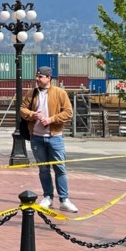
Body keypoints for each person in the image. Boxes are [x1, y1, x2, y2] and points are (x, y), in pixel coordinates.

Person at [20, 66, 78, 212]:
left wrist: (51, 119)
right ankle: (48, 197)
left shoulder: (60, 93)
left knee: (60, 168)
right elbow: (22, 109)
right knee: (43, 169)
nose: (37, 79)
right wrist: (33, 115)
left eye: (40, 77)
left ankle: (64, 199)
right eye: (37, 76)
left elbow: (68, 112)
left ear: (48, 78)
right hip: (37, 137)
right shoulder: (32, 93)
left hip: (55, 137)